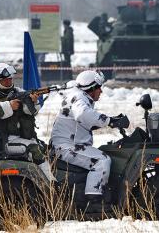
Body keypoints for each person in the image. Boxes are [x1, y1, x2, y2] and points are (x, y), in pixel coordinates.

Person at [50, 70, 128, 203]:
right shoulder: (79, 98)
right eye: (99, 88)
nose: (101, 92)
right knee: (101, 161)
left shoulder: (78, 95)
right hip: (67, 146)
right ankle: (94, 200)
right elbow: (83, 115)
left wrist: (110, 120)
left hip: (68, 143)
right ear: (91, 88)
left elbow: (86, 121)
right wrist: (110, 121)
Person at [0, 62, 56, 182]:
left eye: (10, 80)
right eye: (4, 81)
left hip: (21, 137)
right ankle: (50, 185)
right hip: (3, 141)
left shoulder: (17, 91)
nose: (9, 83)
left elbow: (31, 112)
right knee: (33, 148)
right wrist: (9, 106)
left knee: (46, 149)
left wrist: (33, 101)